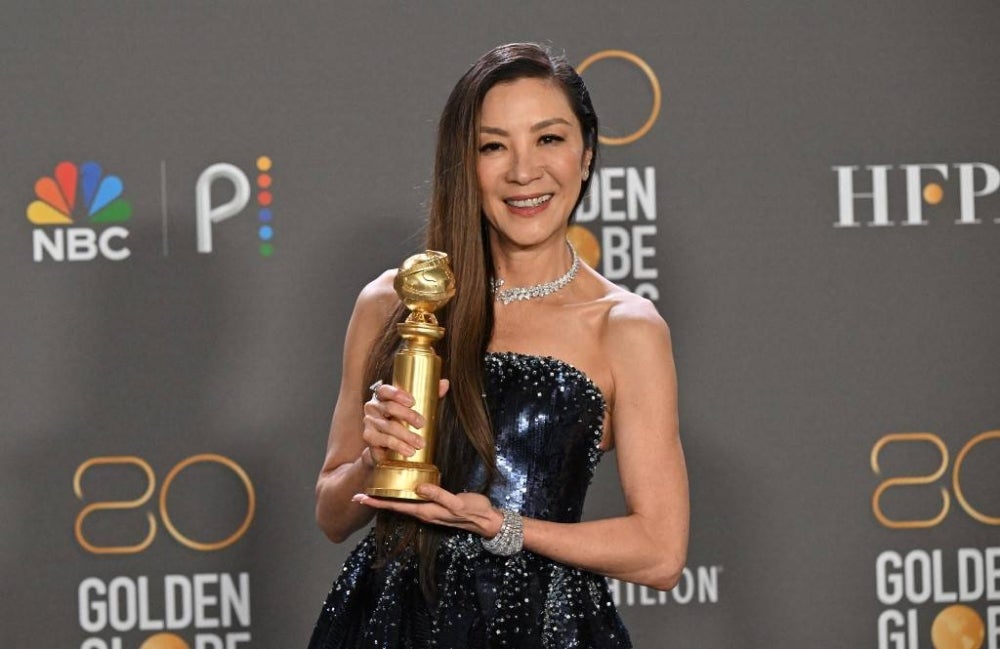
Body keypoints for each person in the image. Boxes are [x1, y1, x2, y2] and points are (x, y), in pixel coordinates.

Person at [308, 42, 688, 649]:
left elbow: (660, 552)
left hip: (542, 628)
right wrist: (374, 462)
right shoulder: (393, 302)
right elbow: (332, 515)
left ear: (587, 155)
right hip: (390, 624)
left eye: (549, 139)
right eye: (493, 146)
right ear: (464, 163)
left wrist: (503, 527)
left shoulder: (624, 326)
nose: (523, 172)